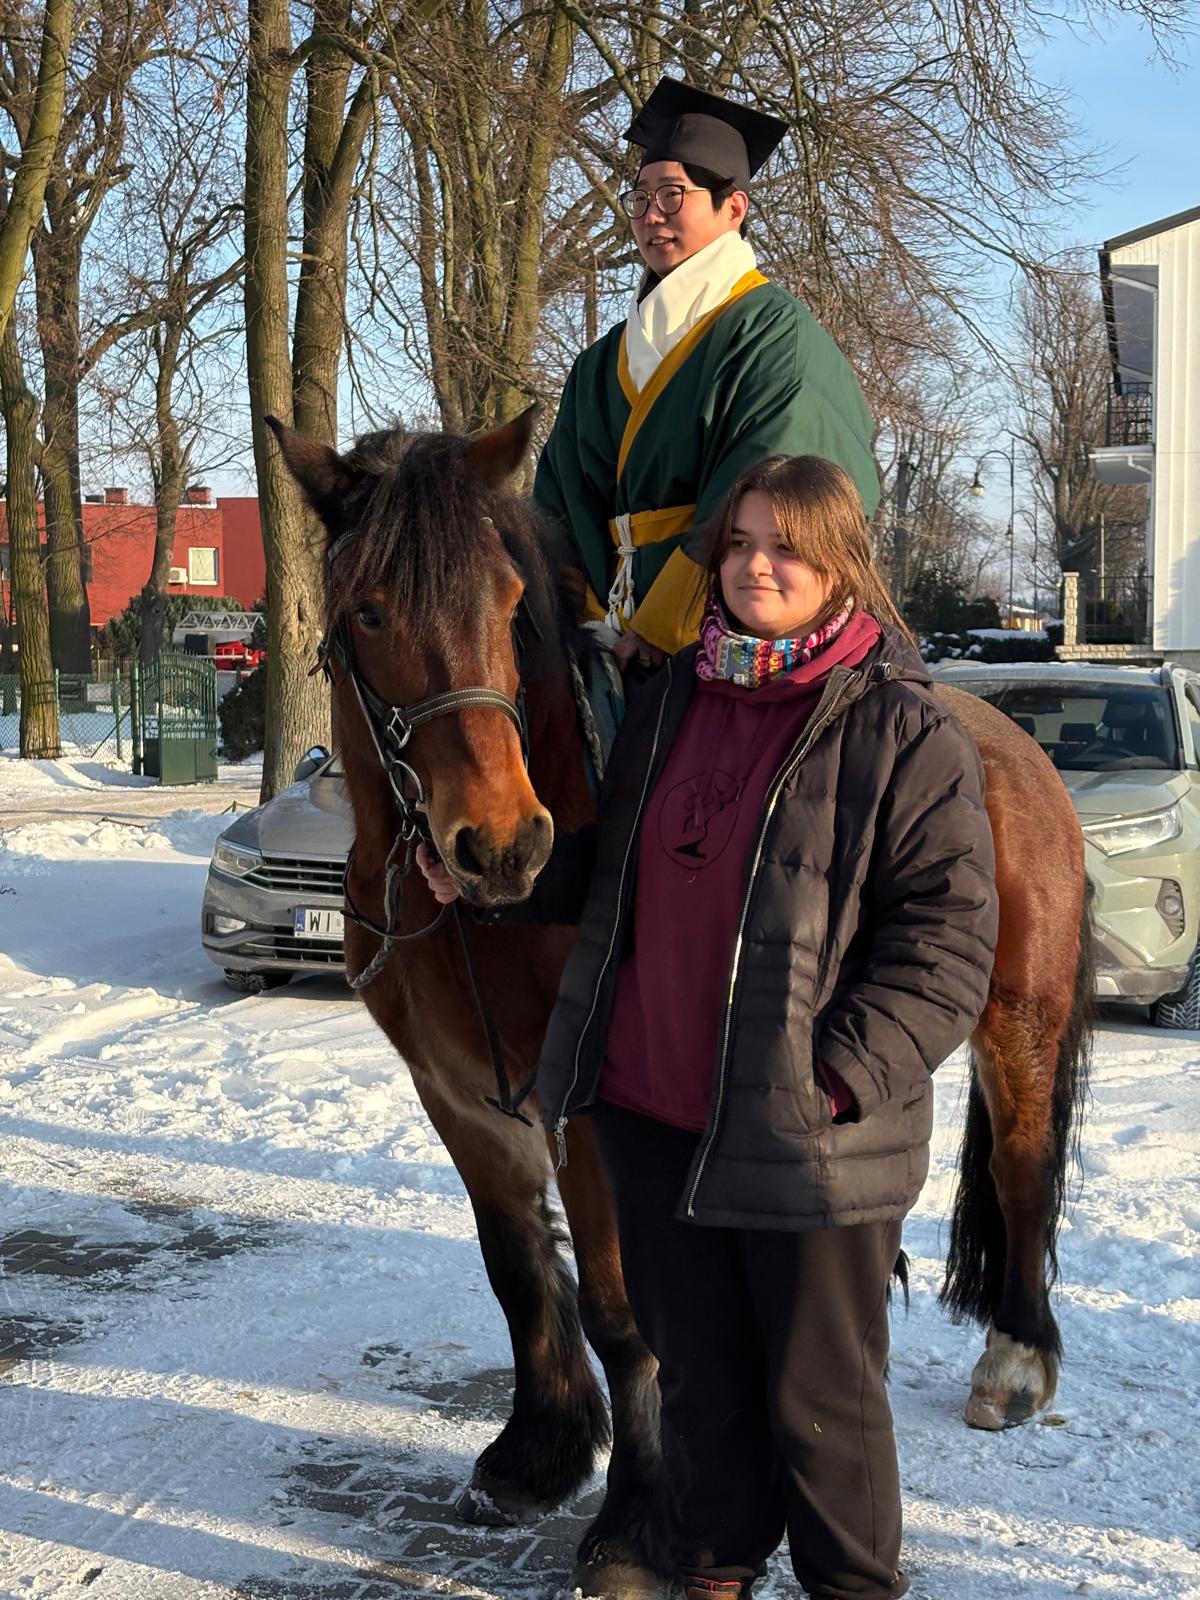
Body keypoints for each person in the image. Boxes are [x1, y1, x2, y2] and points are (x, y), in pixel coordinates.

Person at [419, 454, 999, 1600]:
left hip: (809, 1147)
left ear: (840, 563)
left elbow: (946, 950)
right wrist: (506, 883)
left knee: (822, 1409)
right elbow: (621, 869)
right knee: (698, 1393)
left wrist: (829, 1084)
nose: (755, 565)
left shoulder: (902, 728)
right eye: (738, 543)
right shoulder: (675, 697)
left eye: (785, 545)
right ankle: (713, 1576)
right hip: (654, 1120)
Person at [532, 77, 880, 675]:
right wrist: (584, 619)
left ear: (734, 208)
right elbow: (557, 504)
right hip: (603, 638)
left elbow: (777, 490)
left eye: (673, 195)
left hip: (722, 638)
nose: (651, 216)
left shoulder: (776, 336)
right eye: (640, 198)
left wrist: (664, 625)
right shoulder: (598, 363)